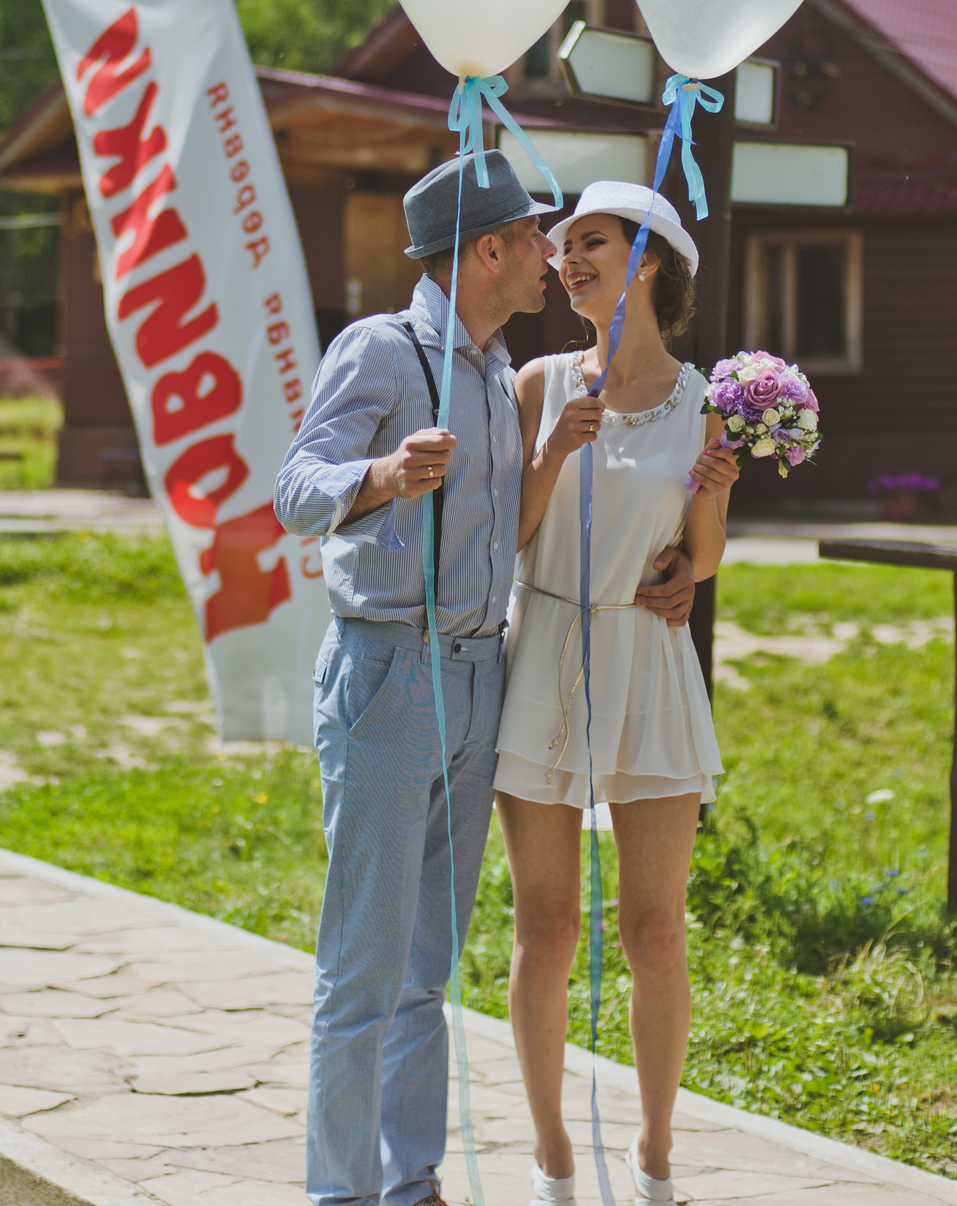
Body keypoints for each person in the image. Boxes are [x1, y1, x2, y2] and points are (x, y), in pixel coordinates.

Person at [276, 154, 700, 1206]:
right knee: (363, 967)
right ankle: (341, 1192)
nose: (551, 254)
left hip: (480, 679)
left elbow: (534, 529)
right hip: (387, 672)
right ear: (489, 249)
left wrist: (680, 562)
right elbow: (294, 486)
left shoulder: (494, 367)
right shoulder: (382, 348)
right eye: (536, 236)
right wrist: (377, 475)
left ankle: (410, 1180)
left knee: (427, 967)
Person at [494, 181, 741, 1206]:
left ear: (647, 258)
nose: (564, 259)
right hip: (543, 643)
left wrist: (710, 515)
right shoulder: (536, 381)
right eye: (561, 248)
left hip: (646, 659)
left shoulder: (704, 400)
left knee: (655, 927)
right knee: (545, 925)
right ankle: (552, 1153)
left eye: (588, 242)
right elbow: (501, 534)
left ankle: (653, 1153)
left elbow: (696, 560)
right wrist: (553, 450)